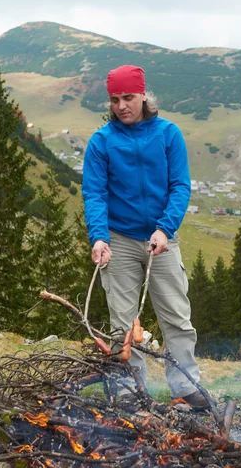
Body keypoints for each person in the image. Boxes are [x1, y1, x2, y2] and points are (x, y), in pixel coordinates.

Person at [82, 64, 208, 408]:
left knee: (176, 317)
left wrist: (165, 228)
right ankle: (129, 392)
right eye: (114, 99)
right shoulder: (101, 142)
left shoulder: (168, 134)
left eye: (128, 97)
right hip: (119, 240)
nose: (121, 106)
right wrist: (99, 237)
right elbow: (94, 193)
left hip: (161, 240)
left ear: (143, 96)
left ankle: (184, 388)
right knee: (122, 323)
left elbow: (180, 185)